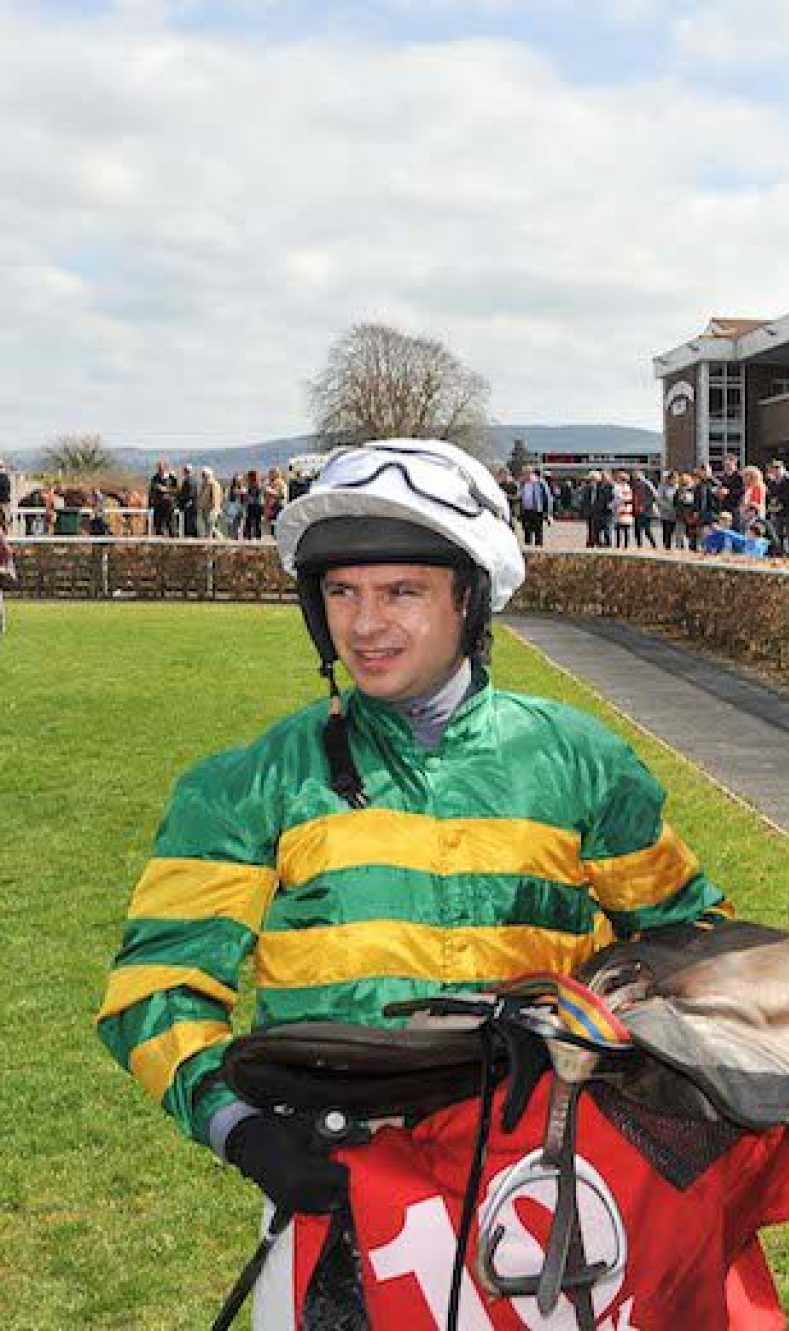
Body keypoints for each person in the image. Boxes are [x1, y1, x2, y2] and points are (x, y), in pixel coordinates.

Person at [93, 439, 749, 1324]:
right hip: (344, 1199)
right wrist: (240, 1128)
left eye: (402, 591)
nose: (365, 626)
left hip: (552, 1188)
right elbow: (156, 986)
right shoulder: (249, 783)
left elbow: (695, 946)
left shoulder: (585, 763)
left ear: (469, 598)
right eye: (341, 592)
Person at [765, 459, 789, 557]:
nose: (775, 472)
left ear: (782, 468)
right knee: (778, 535)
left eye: (777, 469)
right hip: (778, 512)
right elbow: (770, 495)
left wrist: (777, 499)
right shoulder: (772, 482)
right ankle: (780, 554)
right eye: (773, 470)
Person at [516, 466, 553, 547]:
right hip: (525, 511)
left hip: (537, 511)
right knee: (527, 532)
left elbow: (547, 497)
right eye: (524, 473)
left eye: (527, 473)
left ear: (531, 473)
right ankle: (528, 549)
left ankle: (538, 551)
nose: (525, 475)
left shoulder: (540, 482)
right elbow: (519, 497)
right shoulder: (521, 483)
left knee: (538, 532)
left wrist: (547, 512)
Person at [148, 461, 177, 539]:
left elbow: (176, 491)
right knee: (158, 526)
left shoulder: (172, 478)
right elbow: (151, 492)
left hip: (169, 506)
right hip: (158, 506)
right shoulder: (155, 478)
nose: (160, 470)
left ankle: (172, 544)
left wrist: (166, 489)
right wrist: (150, 504)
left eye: (162, 468)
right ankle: (158, 546)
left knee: (170, 525)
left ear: (166, 468)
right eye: (159, 468)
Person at [612, 470, 636, 548]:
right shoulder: (622, 487)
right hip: (623, 509)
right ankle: (622, 546)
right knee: (622, 530)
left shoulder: (622, 487)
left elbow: (619, 498)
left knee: (624, 529)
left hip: (624, 509)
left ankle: (623, 546)